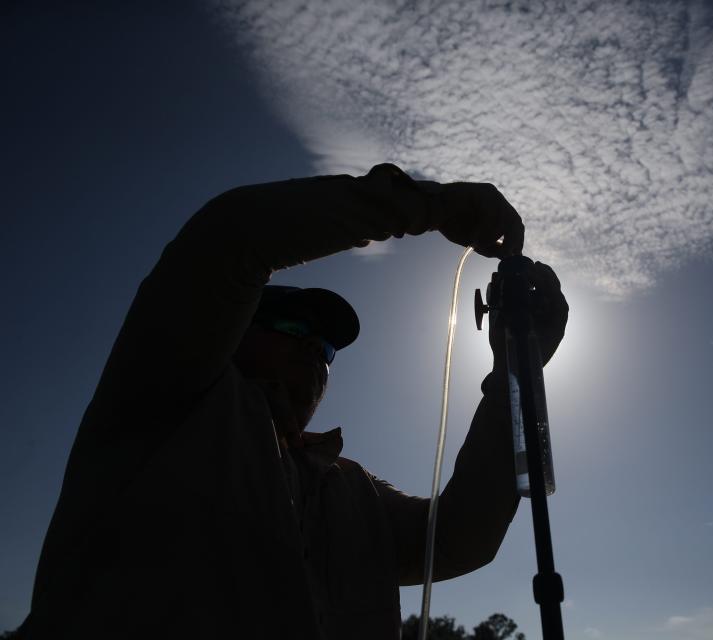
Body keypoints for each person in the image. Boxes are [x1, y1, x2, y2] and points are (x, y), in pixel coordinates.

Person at [20, 164, 568, 639]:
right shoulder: (171, 394)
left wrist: (513, 375)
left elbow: (458, 539)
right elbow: (230, 239)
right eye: (288, 325)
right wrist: (429, 205)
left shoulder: (352, 490)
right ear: (231, 331)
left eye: (324, 346)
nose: (311, 348)